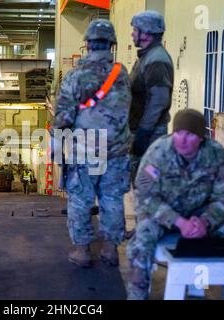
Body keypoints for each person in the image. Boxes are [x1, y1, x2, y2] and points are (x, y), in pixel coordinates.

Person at [125, 109, 224, 300]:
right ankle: (136, 296)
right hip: (162, 216)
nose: (181, 140)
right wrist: (180, 222)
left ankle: (222, 290)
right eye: (178, 133)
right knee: (141, 242)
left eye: (189, 135)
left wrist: (205, 222)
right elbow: (145, 196)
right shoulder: (158, 153)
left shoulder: (216, 154)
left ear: (200, 138)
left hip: (200, 215)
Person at [52, 19, 132, 268]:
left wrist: (56, 145)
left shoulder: (76, 76)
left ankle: (83, 251)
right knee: (112, 199)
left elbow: (63, 117)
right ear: (111, 45)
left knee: (80, 199)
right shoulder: (122, 74)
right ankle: (110, 250)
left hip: (85, 151)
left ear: (86, 44)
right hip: (117, 151)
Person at [128, 10, 174, 184]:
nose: (132, 33)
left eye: (135, 30)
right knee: (141, 182)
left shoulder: (156, 60)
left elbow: (159, 100)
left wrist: (144, 133)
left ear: (146, 33)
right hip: (143, 131)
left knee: (148, 183)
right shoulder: (147, 57)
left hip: (150, 135)